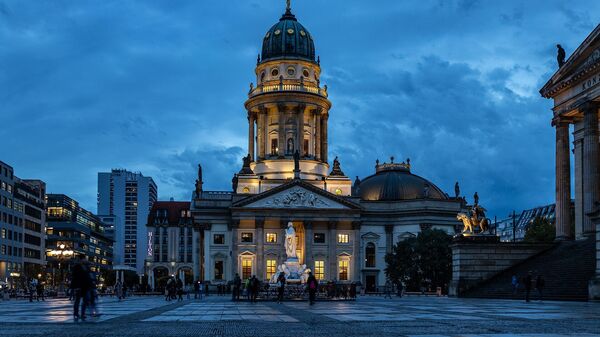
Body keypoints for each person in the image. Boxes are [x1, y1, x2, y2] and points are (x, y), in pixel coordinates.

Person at [71, 255, 92, 321]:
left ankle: (83, 313)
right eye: (84, 259)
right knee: (77, 300)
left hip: (85, 286)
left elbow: (88, 276)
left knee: (86, 300)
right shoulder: (77, 267)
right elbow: (75, 277)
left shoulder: (86, 266)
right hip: (79, 286)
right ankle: (76, 314)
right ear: (81, 259)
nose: (86, 260)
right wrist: (76, 286)